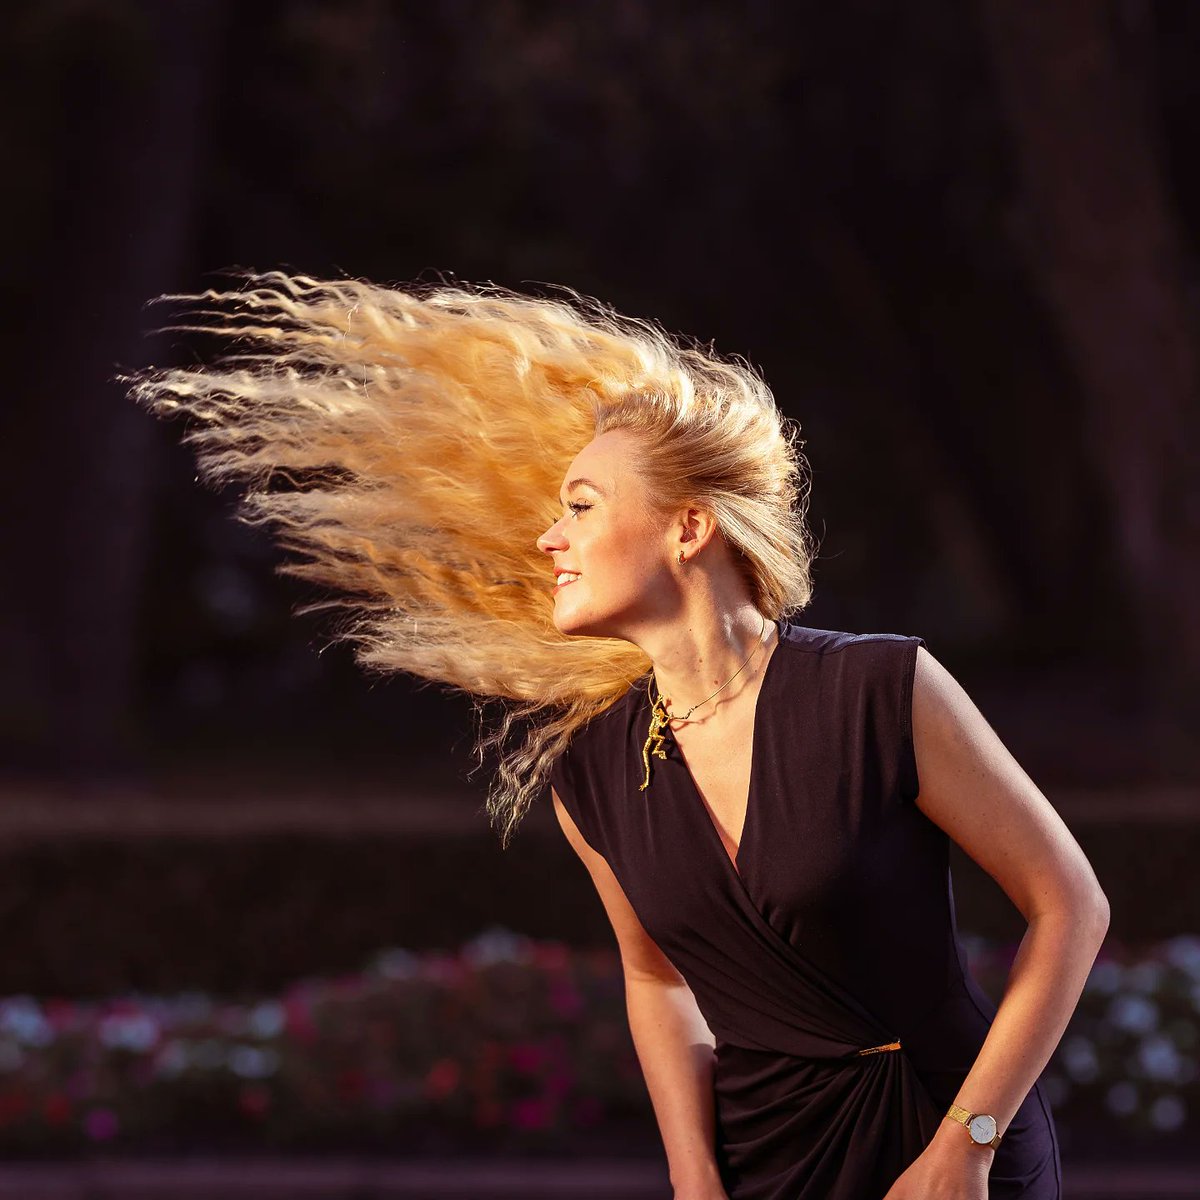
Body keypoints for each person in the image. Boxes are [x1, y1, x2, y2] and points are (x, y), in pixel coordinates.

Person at [126, 271, 1109, 1200]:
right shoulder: (591, 767)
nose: (550, 538)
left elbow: (1070, 906)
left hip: (950, 1160)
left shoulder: (879, 688)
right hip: (760, 1165)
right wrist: (693, 1179)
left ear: (689, 528)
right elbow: (657, 977)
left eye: (583, 506)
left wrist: (968, 1143)